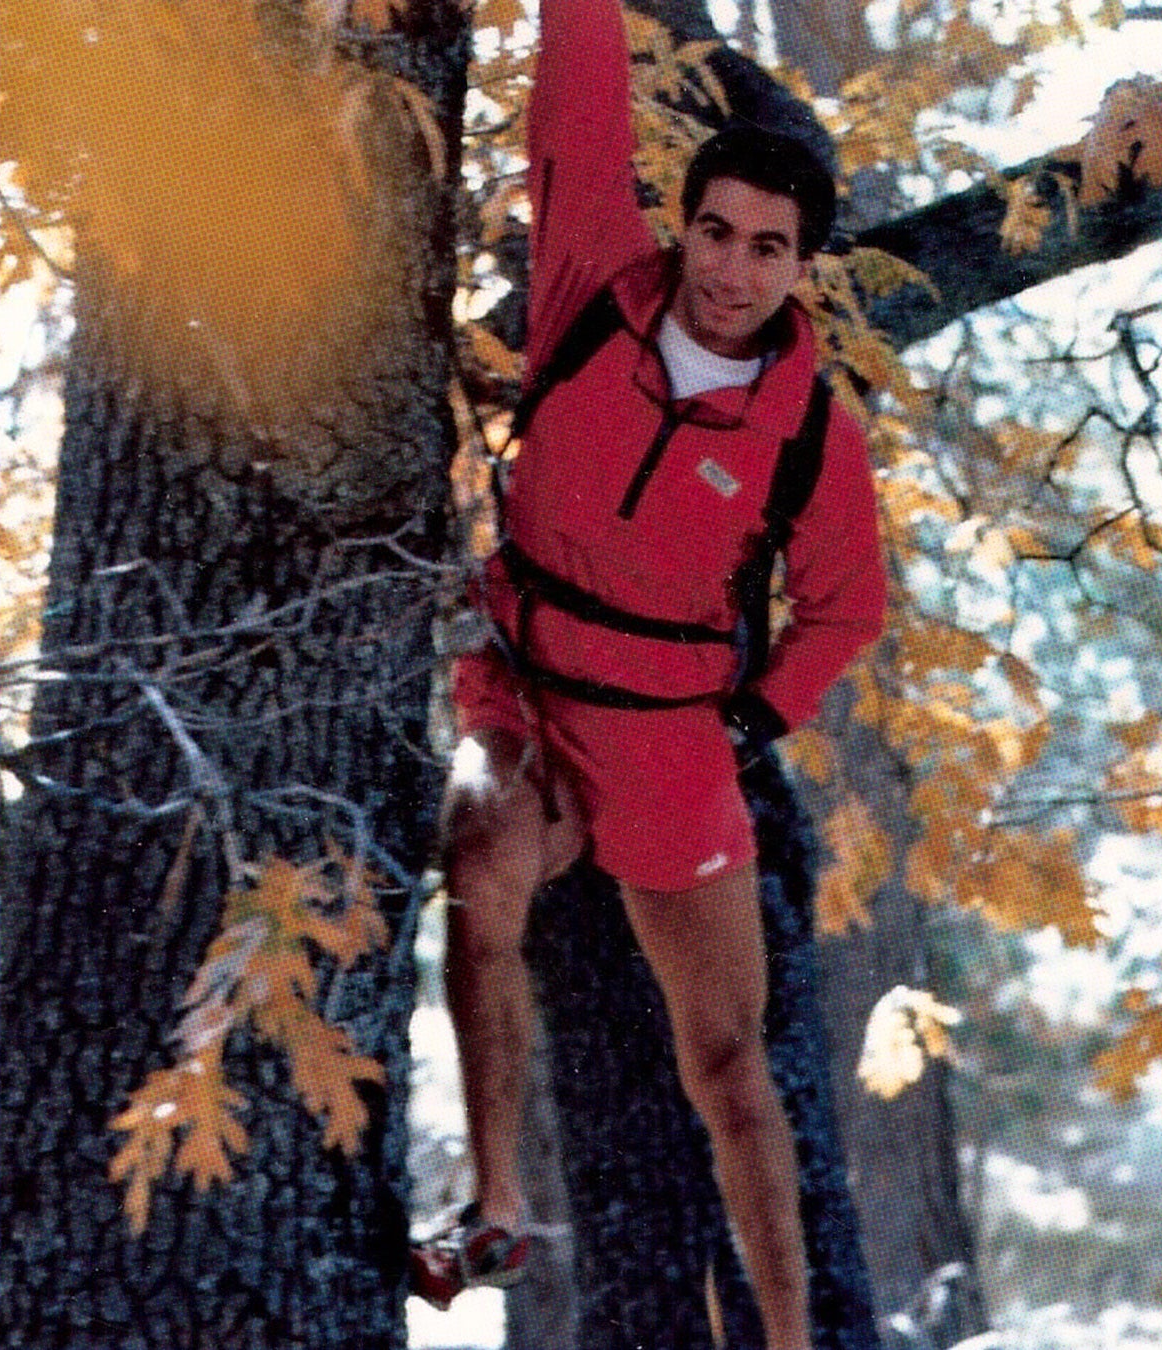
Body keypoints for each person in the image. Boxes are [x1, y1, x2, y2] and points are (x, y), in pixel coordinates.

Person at [410, 0, 886, 1345]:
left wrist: (751, 718)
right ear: (688, 221)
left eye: (768, 249)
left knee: (729, 1066)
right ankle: (491, 1204)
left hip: (671, 731)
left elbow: (848, 610)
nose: (731, 268)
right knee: (484, 854)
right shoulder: (589, 281)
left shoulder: (807, 429)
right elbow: (574, 106)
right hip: (521, 675)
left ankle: (787, 1334)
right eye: (717, 231)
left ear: (800, 267)